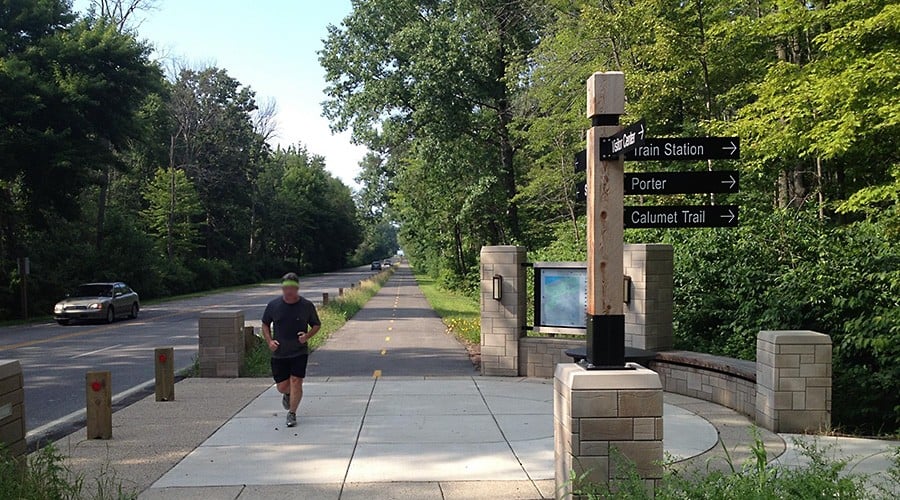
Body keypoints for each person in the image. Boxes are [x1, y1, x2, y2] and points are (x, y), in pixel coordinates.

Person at [261, 272, 321, 427]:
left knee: (296, 381)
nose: (288, 291)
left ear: (297, 288)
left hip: (298, 351)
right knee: (282, 386)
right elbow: (265, 324)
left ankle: (292, 413)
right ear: (282, 288)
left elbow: (316, 325)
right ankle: (288, 394)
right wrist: (269, 341)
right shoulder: (273, 305)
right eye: (285, 287)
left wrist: (307, 336)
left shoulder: (306, 306)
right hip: (279, 353)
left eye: (291, 288)